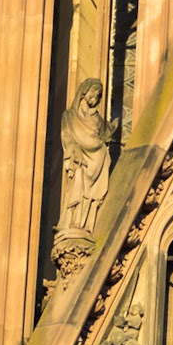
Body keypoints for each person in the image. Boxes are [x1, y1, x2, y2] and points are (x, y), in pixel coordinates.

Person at [58, 78, 116, 236]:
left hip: (97, 158)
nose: (95, 98)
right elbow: (67, 136)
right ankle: (74, 221)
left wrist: (111, 130)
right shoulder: (69, 116)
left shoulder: (97, 119)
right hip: (79, 158)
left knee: (91, 194)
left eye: (98, 95)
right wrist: (73, 147)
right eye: (94, 93)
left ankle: (85, 222)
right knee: (78, 183)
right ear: (84, 91)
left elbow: (103, 134)